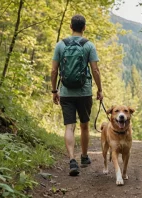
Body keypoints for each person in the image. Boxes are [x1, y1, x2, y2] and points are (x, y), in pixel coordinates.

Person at [51, 14, 103, 176]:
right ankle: (84, 157)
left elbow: (54, 70)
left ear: (70, 27)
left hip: (66, 92)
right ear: (84, 27)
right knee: (85, 125)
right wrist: (100, 90)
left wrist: (54, 90)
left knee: (69, 126)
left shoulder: (61, 45)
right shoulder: (89, 45)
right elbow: (95, 70)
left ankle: (72, 160)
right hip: (84, 92)